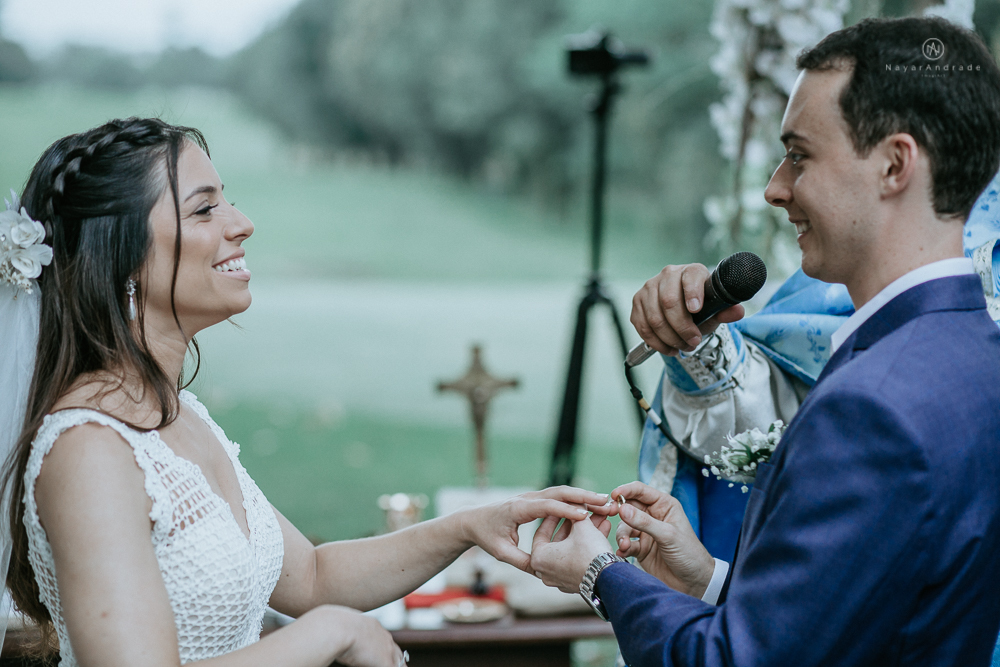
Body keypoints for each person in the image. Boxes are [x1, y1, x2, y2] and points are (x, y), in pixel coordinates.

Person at [0, 117, 614, 667]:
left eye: (228, 202)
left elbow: (314, 576)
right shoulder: (89, 451)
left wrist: (469, 525)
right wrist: (329, 637)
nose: (242, 224)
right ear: (124, 255)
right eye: (205, 209)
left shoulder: (182, 418)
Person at [529, 16, 1000, 666]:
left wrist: (601, 572)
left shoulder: (873, 409)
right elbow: (866, 628)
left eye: (800, 155)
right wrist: (705, 578)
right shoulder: (976, 353)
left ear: (894, 164)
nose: (776, 188)